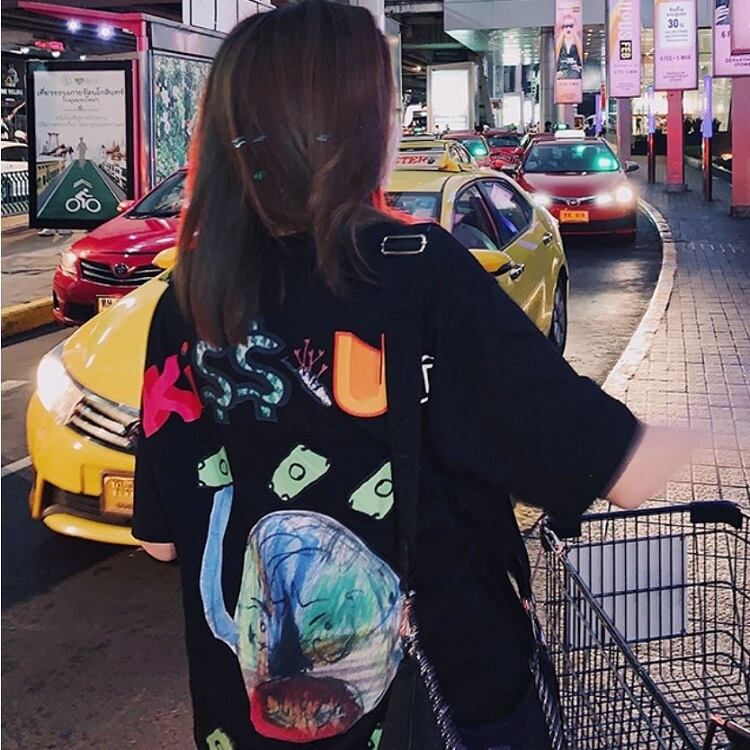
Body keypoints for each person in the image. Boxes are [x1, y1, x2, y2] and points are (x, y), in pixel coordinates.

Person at [133, 3, 701, 749]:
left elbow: (163, 542)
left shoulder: (188, 300)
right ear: (353, 130)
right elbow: (621, 467)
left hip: (256, 721)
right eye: (388, 106)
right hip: (445, 701)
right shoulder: (415, 274)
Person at [555, 14, 582, 80]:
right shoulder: (560, 44)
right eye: (565, 26)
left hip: (574, 73)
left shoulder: (578, 43)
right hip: (562, 73)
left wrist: (579, 67)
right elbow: (556, 58)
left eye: (571, 26)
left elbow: (582, 60)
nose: (568, 29)